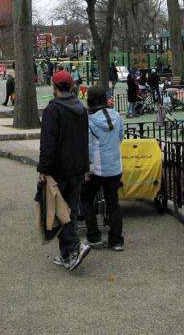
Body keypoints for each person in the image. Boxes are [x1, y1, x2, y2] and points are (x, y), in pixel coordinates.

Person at [38, 70, 91, 271]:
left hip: (60, 169)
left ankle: (74, 247)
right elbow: (84, 139)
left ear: (54, 87)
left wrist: (43, 169)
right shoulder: (80, 108)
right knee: (71, 209)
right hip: (78, 167)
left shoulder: (53, 110)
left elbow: (48, 143)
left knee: (60, 212)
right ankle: (66, 253)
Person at [81, 85, 125, 251]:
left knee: (86, 198)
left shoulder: (89, 120)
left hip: (96, 168)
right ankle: (116, 240)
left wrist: (87, 167)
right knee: (113, 202)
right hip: (114, 166)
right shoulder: (116, 115)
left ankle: (94, 236)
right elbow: (120, 136)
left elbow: (86, 144)